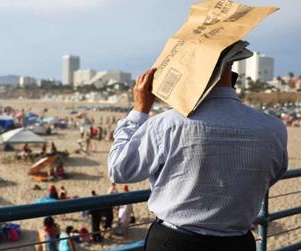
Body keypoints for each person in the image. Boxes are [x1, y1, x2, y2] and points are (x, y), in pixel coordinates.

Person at [108, 66, 288, 251]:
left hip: (175, 242)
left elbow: (119, 170)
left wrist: (139, 110)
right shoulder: (273, 127)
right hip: (238, 242)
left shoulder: (168, 124)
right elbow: (274, 173)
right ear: (230, 71)